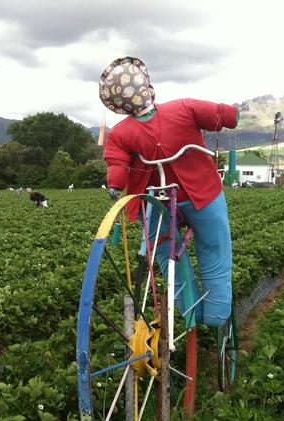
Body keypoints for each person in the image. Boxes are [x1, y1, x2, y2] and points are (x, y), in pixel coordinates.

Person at [99, 56, 238, 327]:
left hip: (175, 194)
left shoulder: (125, 130)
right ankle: (211, 313)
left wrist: (116, 184)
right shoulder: (180, 108)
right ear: (147, 85)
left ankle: (198, 311)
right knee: (209, 245)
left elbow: (116, 162)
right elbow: (218, 113)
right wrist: (230, 115)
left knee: (168, 249)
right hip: (181, 193)